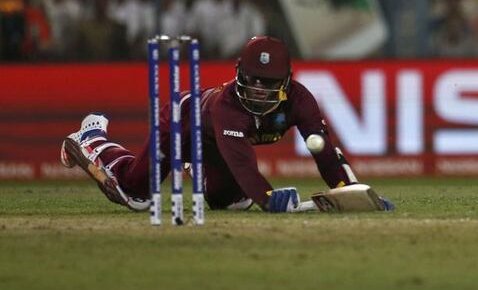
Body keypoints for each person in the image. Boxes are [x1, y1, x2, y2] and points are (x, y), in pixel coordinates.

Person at [60, 35, 393, 213]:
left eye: (269, 82)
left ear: (287, 81)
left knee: (231, 202)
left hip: (212, 142)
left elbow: (324, 150)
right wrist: (268, 198)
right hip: (182, 121)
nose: (260, 92)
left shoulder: (301, 101)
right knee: (136, 195)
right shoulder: (228, 107)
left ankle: (197, 165)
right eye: (254, 81)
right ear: (239, 74)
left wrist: (351, 192)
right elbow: (243, 164)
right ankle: (91, 139)